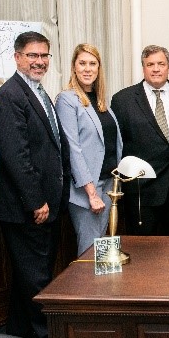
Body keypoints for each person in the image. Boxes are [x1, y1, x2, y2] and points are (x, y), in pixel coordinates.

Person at [0, 31, 70, 338]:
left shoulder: (37, 91)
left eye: (44, 56)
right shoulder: (10, 96)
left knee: (30, 275)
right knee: (36, 278)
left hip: (45, 204)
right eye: (32, 56)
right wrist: (36, 201)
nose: (39, 62)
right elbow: (16, 156)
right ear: (17, 57)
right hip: (27, 208)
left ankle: (18, 336)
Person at [110, 45, 169, 235]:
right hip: (141, 191)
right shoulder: (123, 100)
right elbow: (117, 145)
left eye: (161, 64)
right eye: (150, 64)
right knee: (143, 252)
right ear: (143, 68)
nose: (156, 69)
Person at [55, 44, 122, 255]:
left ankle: (101, 290)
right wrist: (91, 193)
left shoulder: (102, 103)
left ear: (99, 68)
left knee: (102, 253)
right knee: (89, 253)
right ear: (74, 67)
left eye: (92, 64)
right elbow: (73, 149)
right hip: (87, 191)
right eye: (82, 63)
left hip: (108, 186)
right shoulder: (67, 100)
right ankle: (86, 289)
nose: (87, 69)